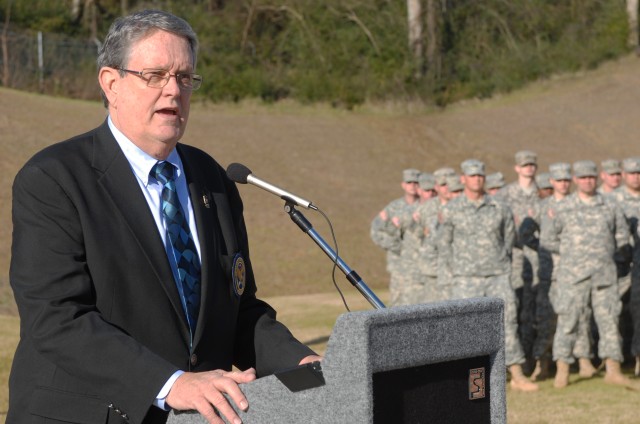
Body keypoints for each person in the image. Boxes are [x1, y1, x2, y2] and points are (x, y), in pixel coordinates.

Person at [8, 10, 320, 424]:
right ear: (111, 83)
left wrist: (304, 366)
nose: (173, 90)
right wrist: (172, 383)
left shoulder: (212, 179)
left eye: (185, 77)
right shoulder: (54, 178)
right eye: (154, 75)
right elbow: (57, 318)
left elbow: (240, 312)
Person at [439, 159, 538, 392]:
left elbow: (508, 240)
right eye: (472, 176)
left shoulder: (500, 207)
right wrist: (453, 274)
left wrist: (502, 266)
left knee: (507, 323)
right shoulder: (451, 209)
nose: (477, 179)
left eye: (480, 176)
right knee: (465, 328)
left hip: (497, 276)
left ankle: (516, 374)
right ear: (463, 179)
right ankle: (468, 380)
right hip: (465, 278)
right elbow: (444, 245)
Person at [550, 160, 632, 388]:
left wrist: (605, 258)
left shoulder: (610, 205)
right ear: (576, 180)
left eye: (591, 177)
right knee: (568, 322)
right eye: (583, 177)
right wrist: (574, 256)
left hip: (604, 276)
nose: (587, 181)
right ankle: (562, 370)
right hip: (572, 277)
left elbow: (622, 237)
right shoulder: (563, 207)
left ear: (596, 178)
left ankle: (613, 369)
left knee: (609, 322)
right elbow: (549, 239)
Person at [496, 150, 541, 365]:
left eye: (531, 165)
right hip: (514, 258)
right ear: (517, 168)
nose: (528, 168)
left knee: (535, 306)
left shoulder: (542, 193)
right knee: (514, 306)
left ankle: (534, 356)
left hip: (538, 257)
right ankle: (513, 357)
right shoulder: (504, 195)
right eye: (524, 165)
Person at [370, 168, 421, 306]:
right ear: (403, 185)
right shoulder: (393, 208)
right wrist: (398, 247)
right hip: (399, 267)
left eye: (416, 182)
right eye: (409, 182)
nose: (413, 185)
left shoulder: (425, 205)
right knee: (398, 307)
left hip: (421, 267)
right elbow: (376, 232)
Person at [610, 157, 640, 376]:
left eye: (638, 173)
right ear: (624, 174)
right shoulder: (612, 199)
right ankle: (618, 359)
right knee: (617, 312)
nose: (636, 177)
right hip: (619, 265)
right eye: (631, 173)